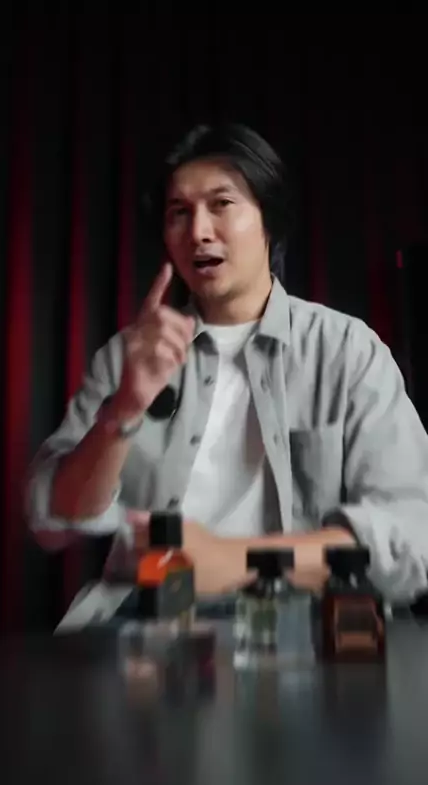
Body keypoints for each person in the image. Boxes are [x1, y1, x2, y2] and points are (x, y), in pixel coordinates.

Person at [26, 122, 428, 626]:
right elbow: (51, 521)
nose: (198, 231)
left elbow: (414, 534)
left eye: (221, 204)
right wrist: (122, 410)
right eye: (179, 213)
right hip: (146, 621)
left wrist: (236, 560)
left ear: (268, 221)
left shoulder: (347, 351)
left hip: (303, 624)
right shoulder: (129, 356)